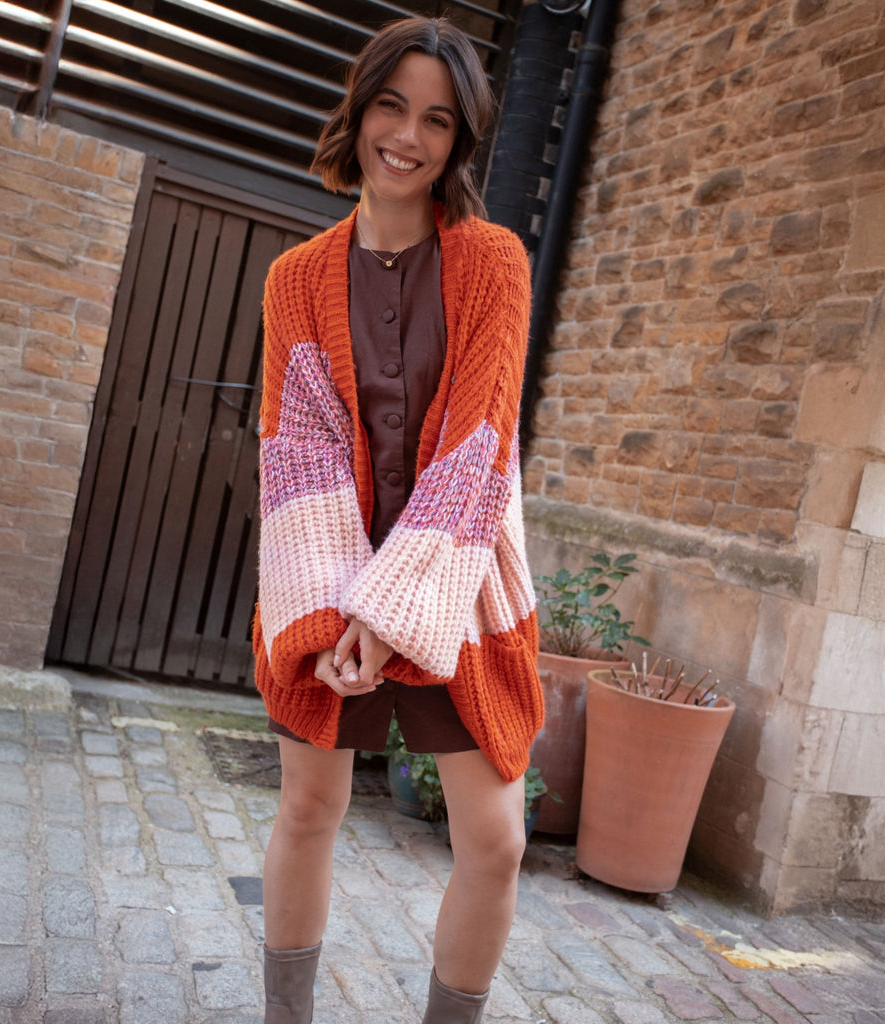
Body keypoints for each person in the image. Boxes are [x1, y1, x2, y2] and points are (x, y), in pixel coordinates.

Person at [252, 16, 543, 1024]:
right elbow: (301, 452)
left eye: (435, 120)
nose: (407, 137)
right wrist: (341, 611)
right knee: (308, 804)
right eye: (390, 106)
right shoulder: (293, 278)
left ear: (458, 142)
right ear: (359, 107)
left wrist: (394, 610)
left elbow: (478, 447)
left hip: (455, 578)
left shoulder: (493, 263)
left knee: (497, 839)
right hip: (320, 573)